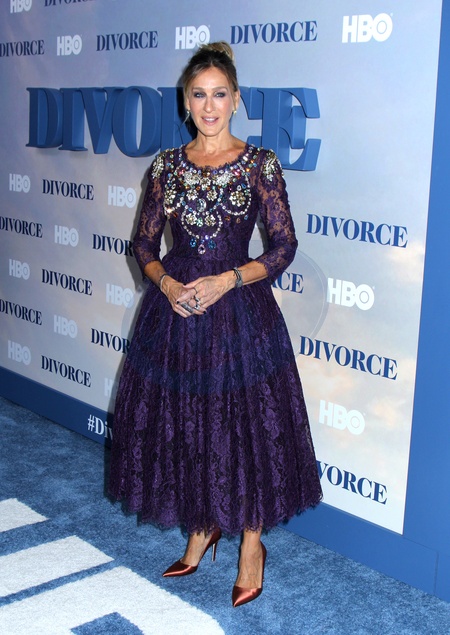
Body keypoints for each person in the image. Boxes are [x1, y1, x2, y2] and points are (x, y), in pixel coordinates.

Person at [108, 41, 322, 607]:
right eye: (199, 95)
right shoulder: (166, 166)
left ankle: (251, 543)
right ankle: (204, 526)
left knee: (246, 428)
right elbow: (143, 245)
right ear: (185, 101)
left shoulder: (259, 165)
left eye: (219, 95)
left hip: (239, 309)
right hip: (176, 312)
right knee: (188, 423)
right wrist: (167, 285)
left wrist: (227, 280)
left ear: (236, 100)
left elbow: (284, 247)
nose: (209, 106)